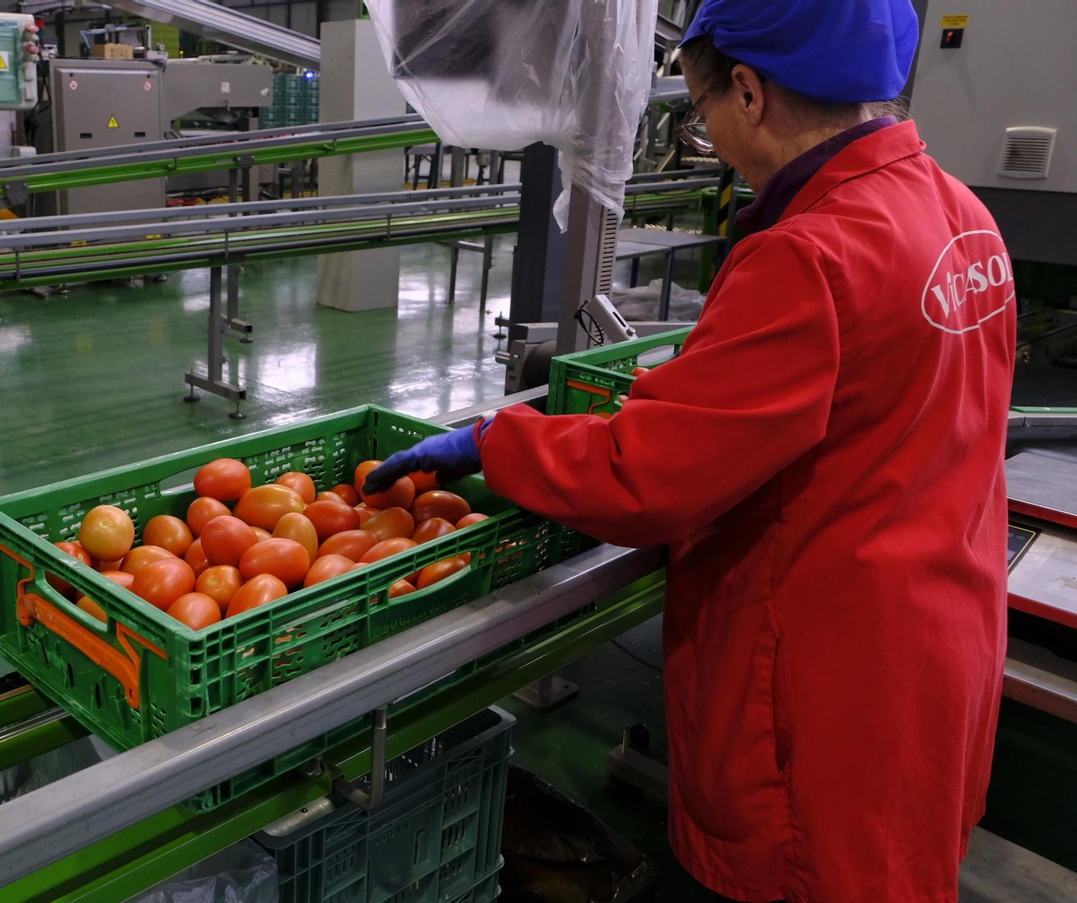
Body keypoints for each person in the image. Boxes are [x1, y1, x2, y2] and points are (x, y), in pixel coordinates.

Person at [366, 1, 1016, 900]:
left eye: (703, 113)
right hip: (937, 649)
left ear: (749, 92)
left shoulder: (812, 256)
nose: (708, 137)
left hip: (827, 691)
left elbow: (645, 478)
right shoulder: (961, 215)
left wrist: (495, 441)